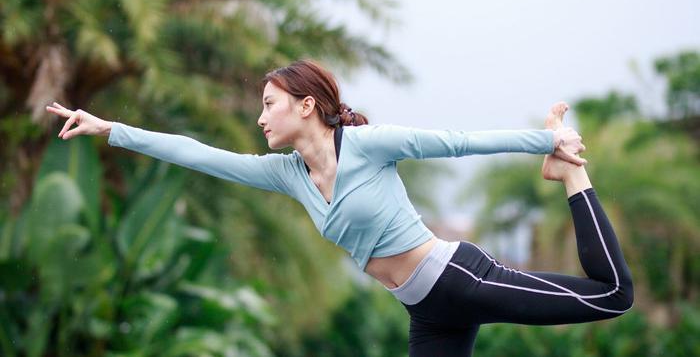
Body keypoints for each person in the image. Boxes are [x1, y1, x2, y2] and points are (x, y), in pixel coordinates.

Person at [45, 59, 633, 356]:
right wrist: (111, 128)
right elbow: (198, 155)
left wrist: (546, 142)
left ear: (305, 106)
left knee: (613, 295)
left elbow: (457, 141)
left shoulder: (368, 146)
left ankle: (572, 174)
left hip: (457, 276)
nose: (260, 116)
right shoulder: (289, 175)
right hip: (426, 309)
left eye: (269, 104)